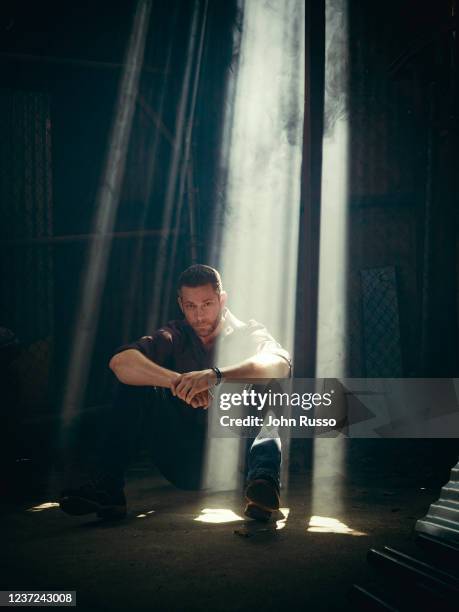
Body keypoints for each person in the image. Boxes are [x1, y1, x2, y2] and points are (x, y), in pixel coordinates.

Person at [59, 264, 291, 521]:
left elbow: (280, 364)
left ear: (222, 300)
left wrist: (215, 375)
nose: (199, 315)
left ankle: (264, 485)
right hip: (186, 460)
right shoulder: (176, 333)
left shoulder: (248, 332)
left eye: (207, 304)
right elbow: (120, 363)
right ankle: (107, 490)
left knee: (269, 386)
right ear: (181, 305)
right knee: (135, 381)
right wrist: (179, 382)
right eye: (191, 306)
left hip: (238, 460)